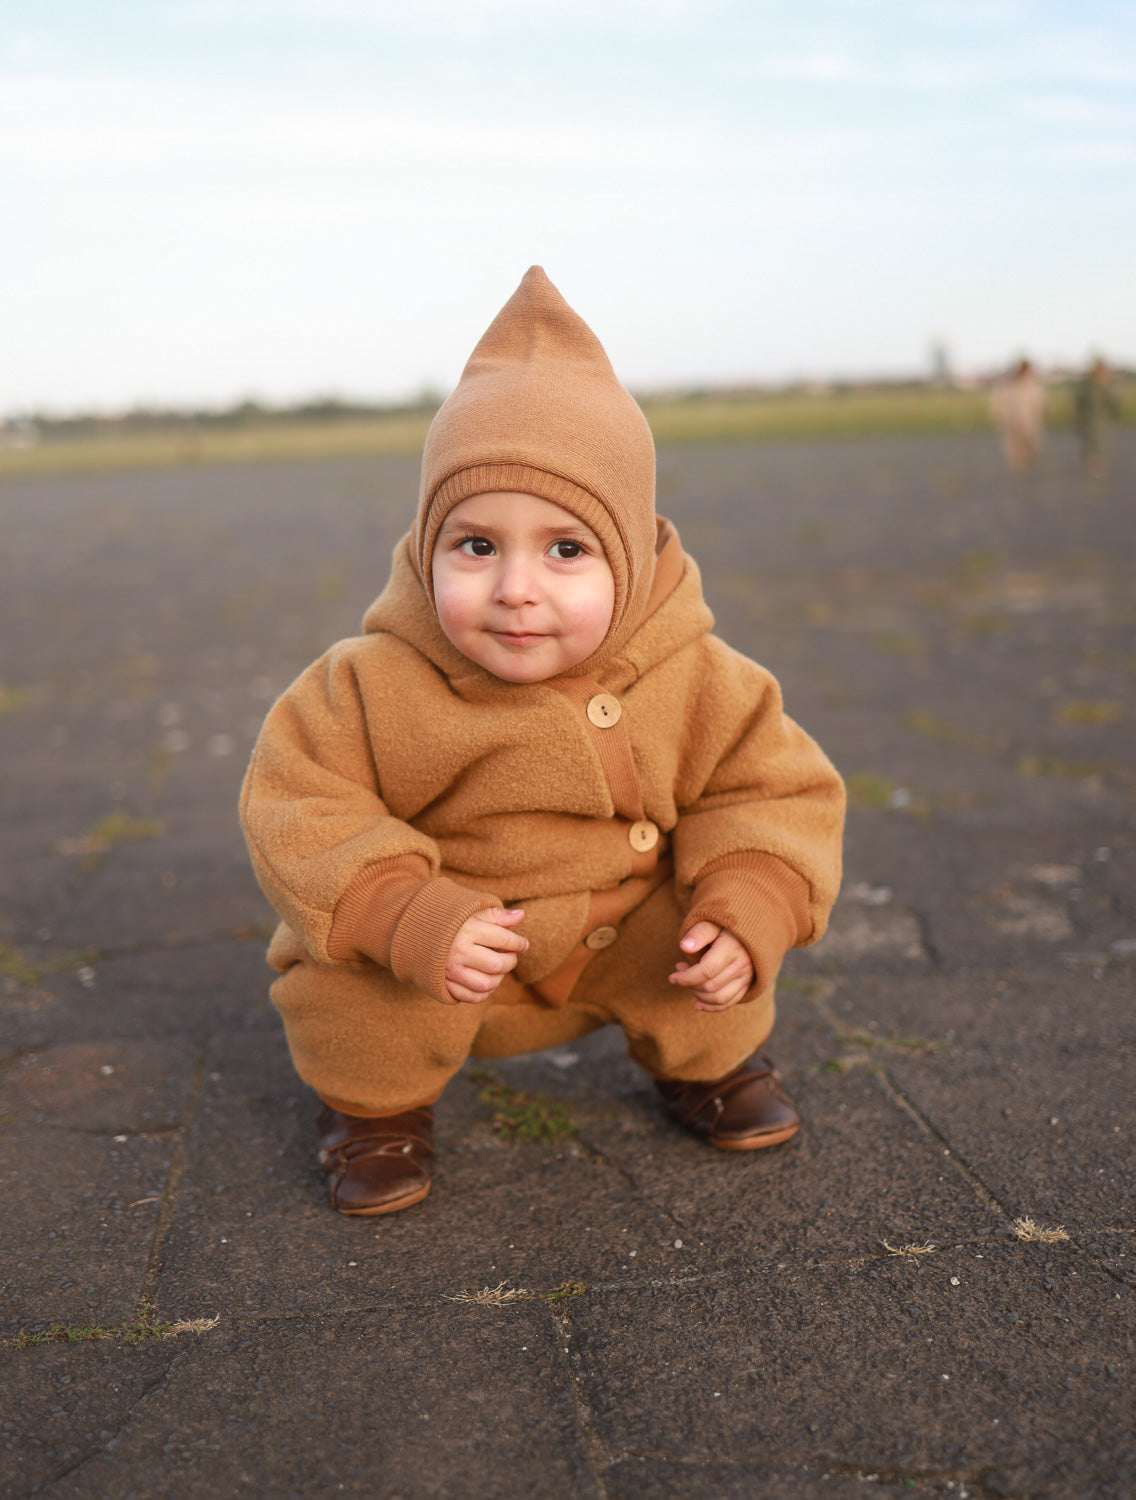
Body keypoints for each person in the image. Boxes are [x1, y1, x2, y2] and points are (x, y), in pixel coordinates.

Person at [239, 268, 846, 1217]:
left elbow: (771, 790)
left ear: (634, 560)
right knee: (349, 989)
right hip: (446, 941)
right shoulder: (368, 684)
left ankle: (710, 1067)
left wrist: (754, 898)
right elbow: (298, 800)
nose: (517, 586)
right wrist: (399, 911)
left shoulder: (699, 676)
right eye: (476, 546)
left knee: (705, 948)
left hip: (622, 929)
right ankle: (374, 1116)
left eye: (567, 549)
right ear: (427, 545)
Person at [990, 357, 1046, 472]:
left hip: (1030, 424)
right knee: (1016, 451)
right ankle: (1019, 469)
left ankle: (1027, 467)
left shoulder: (1034, 386)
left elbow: (1040, 405)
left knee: (1030, 447)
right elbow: (1001, 405)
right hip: (1014, 424)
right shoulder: (1010, 387)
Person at [1074, 356, 1118, 480]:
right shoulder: (1088, 386)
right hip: (1089, 420)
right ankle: (1092, 466)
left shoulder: (1103, 386)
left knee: (1100, 444)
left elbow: (1111, 402)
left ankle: (1097, 466)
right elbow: (1080, 402)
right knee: (1090, 444)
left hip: (1100, 421)